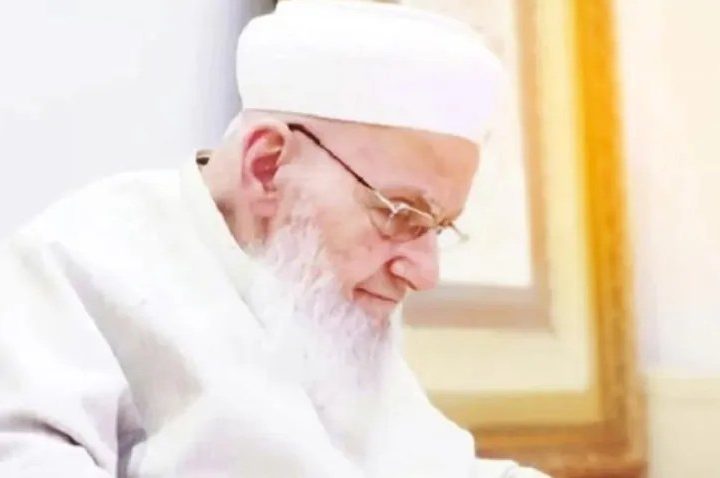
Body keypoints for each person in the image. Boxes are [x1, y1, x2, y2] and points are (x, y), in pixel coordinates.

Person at [0, 1, 549, 476]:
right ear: (267, 166)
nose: (425, 273)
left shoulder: (326, 306)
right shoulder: (74, 264)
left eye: (437, 228)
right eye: (401, 213)